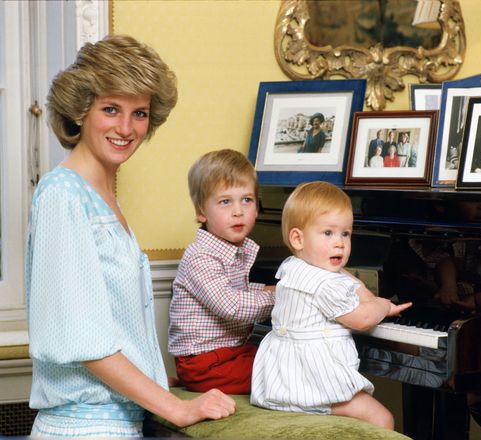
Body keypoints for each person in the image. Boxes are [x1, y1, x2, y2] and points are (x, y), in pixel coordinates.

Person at [26, 35, 235, 437]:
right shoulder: (62, 193)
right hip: (83, 429)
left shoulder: (102, 198)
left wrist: (158, 382)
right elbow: (83, 340)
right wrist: (175, 408)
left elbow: (114, 326)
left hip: (118, 425)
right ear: (80, 112)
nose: (126, 128)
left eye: (139, 113)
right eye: (110, 109)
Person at [250, 181, 412, 429]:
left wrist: (366, 295)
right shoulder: (325, 285)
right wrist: (382, 306)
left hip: (284, 380)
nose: (340, 243)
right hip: (314, 383)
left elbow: (345, 277)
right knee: (382, 418)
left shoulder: (294, 266)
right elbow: (362, 320)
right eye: (328, 233)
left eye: (345, 233)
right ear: (298, 238)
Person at [168, 149, 276, 395]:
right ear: (201, 212)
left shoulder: (232, 249)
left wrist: (269, 289)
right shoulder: (200, 257)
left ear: (257, 207)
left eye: (246, 200)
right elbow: (233, 306)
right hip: (204, 363)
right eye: (225, 201)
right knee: (284, 368)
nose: (238, 211)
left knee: (284, 352)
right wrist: (282, 295)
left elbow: (238, 290)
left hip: (228, 353)